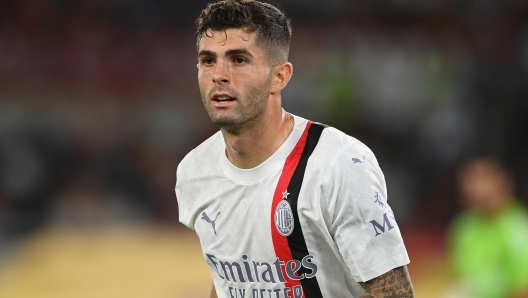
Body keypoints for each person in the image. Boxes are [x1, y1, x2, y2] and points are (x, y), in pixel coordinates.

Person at [175, 1, 414, 297]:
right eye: (208, 60)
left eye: (238, 60)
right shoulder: (194, 172)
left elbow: (394, 293)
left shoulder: (338, 164)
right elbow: (226, 280)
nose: (219, 75)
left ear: (280, 77)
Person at [448, 158, 528, 298]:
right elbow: (459, 277)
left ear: (504, 183)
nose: (474, 184)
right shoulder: (463, 226)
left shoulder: (518, 226)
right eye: (470, 177)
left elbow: (523, 287)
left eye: (483, 176)